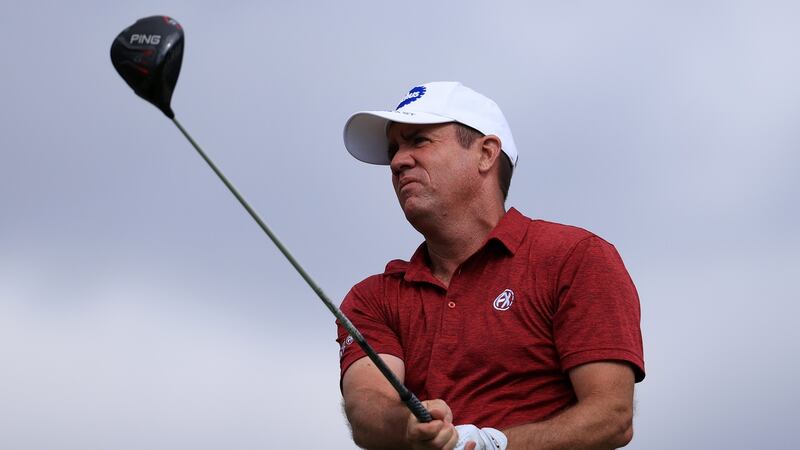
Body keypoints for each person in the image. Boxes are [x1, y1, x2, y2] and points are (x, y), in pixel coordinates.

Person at [336, 81, 645, 450]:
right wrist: (407, 425)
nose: (398, 161)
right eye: (394, 150)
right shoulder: (373, 297)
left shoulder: (574, 257)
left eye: (418, 141)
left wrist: (493, 444)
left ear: (485, 154)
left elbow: (611, 416)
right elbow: (366, 408)